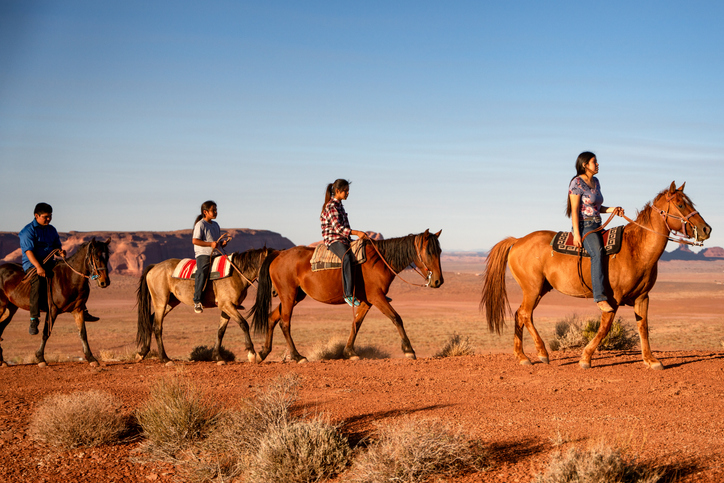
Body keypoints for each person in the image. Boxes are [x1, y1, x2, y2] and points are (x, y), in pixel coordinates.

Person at [566, 152, 624, 313]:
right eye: (594, 162)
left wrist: (614, 209)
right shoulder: (576, 182)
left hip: (598, 223)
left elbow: (597, 207)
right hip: (584, 225)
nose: (597, 164)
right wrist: (577, 234)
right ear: (585, 165)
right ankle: (599, 297)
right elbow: (575, 209)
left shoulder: (596, 181)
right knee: (597, 253)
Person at [19, 203, 65, 335]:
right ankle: (34, 318)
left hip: (50, 262)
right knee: (37, 283)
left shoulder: (52, 230)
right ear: (36, 216)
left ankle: (80, 306)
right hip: (33, 264)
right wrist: (38, 267)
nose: (49, 219)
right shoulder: (27, 231)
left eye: (50, 216)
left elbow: (56, 246)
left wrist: (60, 253)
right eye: (46, 217)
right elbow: (28, 252)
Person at [320, 179, 366, 307]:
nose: (347, 193)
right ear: (337, 191)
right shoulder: (331, 207)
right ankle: (347, 294)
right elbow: (338, 228)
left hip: (344, 239)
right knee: (346, 258)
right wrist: (357, 233)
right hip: (334, 240)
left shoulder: (340, 205)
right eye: (345, 191)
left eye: (348, 191)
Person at [192, 200, 227, 314]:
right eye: (213, 210)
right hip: (204, 254)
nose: (216, 212)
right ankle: (197, 300)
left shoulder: (216, 225)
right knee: (202, 272)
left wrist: (222, 244)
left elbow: (215, 242)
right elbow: (195, 240)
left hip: (216, 253)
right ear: (205, 212)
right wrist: (210, 244)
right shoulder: (200, 224)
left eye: (216, 210)